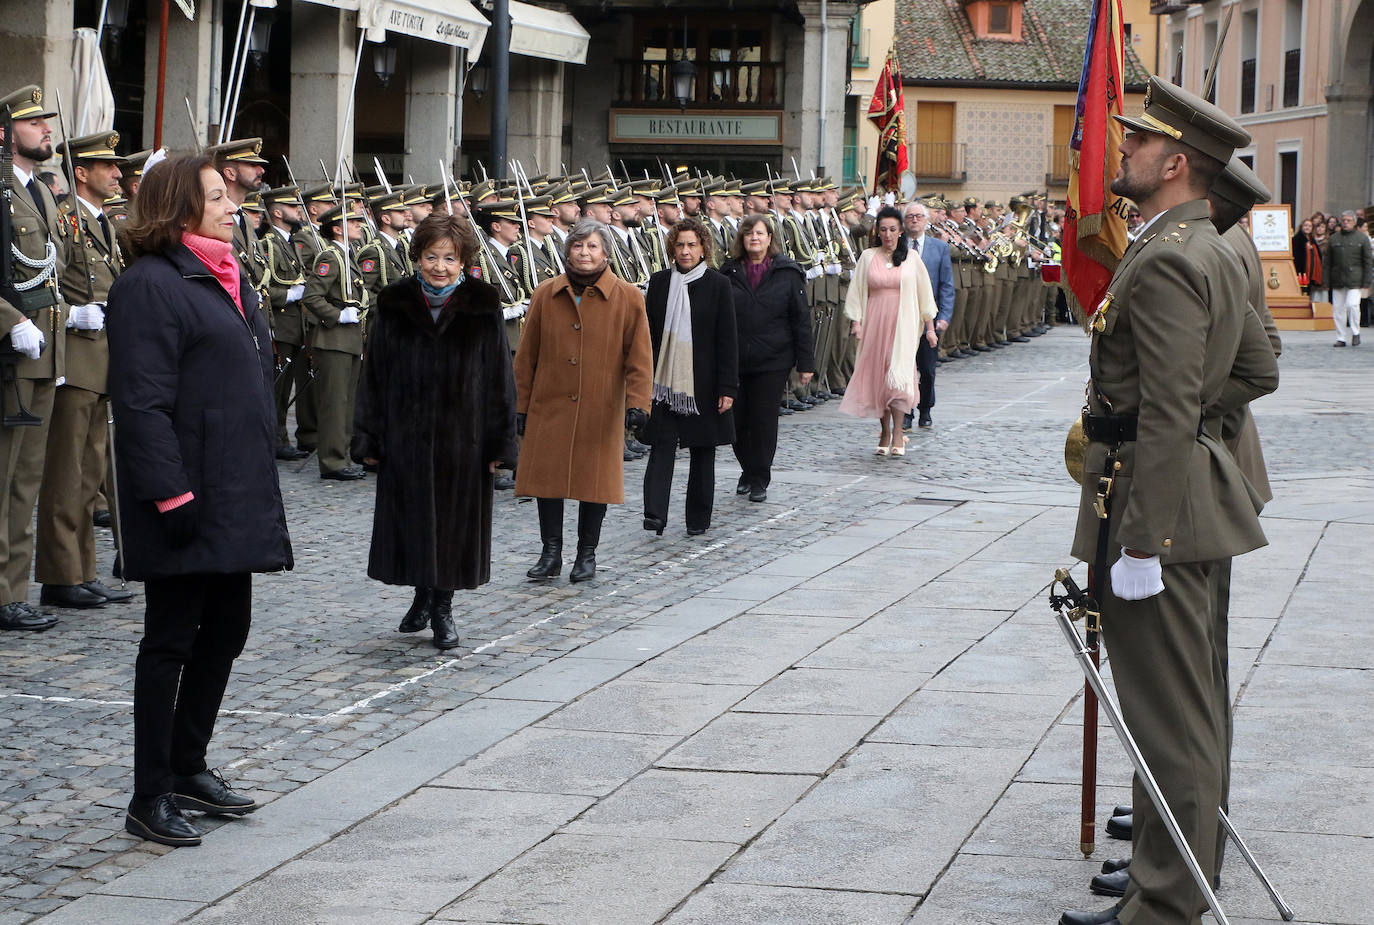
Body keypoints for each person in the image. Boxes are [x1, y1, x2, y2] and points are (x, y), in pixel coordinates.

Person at [1060, 77, 1277, 925]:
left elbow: (1169, 408)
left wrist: (1143, 540)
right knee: (1191, 705)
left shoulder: (1172, 257)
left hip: (1157, 512)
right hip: (1182, 498)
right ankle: (1177, 872)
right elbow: (1254, 371)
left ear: (1176, 163)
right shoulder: (1206, 247)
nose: (1123, 149)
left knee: (1169, 717)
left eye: (1138, 142)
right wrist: (1196, 448)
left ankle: (1167, 901)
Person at [105, 151, 292, 848]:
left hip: (235, 488)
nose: (231, 203)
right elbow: (143, 402)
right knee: (169, 642)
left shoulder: (226, 274)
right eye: (216, 195)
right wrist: (170, 492)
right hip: (185, 494)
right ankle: (148, 792)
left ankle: (188, 764)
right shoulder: (151, 283)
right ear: (180, 206)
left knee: (228, 629)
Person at [353, 212, 516, 651]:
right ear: (417, 257)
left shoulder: (482, 304)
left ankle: (442, 607)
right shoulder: (394, 303)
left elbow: (501, 379)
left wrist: (502, 443)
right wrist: (368, 437)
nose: (439, 267)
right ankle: (422, 592)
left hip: (463, 441)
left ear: (463, 260)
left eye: (449, 258)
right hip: (405, 436)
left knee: (452, 526)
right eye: (431, 256)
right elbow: (374, 375)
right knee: (412, 521)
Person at [514, 219, 652, 582]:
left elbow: (639, 358)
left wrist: (638, 404)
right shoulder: (546, 293)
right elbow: (526, 356)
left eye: (592, 247)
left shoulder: (628, 297)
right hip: (550, 402)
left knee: (595, 483)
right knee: (548, 481)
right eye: (578, 246)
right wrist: (521, 405)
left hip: (599, 405)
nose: (584, 253)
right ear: (567, 250)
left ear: (605, 253)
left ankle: (586, 554)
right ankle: (551, 552)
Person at [35, 131, 133, 610]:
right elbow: (45, 276)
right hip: (75, 357)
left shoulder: (102, 222)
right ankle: (59, 574)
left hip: (101, 360)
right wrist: (71, 314)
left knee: (90, 471)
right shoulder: (65, 217)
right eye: (108, 167)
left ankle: (83, 570)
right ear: (81, 172)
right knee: (66, 473)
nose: (118, 175)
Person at [0, 85, 67, 632]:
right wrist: (11, 322)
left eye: (46, 120)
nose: (46, 129)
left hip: (45, 350)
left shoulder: (41, 192)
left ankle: (13, 592)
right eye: (33, 122)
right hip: (12, 349)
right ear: (5, 133)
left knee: (26, 480)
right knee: (2, 480)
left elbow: (51, 268)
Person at [641, 217, 737, 537]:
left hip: (704, 383)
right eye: (679, 244)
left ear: (703, 249)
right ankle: (654, 513)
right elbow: (648, 336)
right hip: (665, 382)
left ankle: (698, 518)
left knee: (702, 449)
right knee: (661, 444)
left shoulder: (718, 284)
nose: (685, 251)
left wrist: (727, 387)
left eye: (692, 245)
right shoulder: (658, 283)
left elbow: (727, 339)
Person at [719, 214, 815, 502]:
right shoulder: (728, 273)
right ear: (741, 239)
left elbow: (801, 320)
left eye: (759, 233)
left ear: (770, 238)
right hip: (736, 359)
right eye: (748, 234)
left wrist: (805, 363)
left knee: (762, 421)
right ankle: (747, 468)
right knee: (737, 421)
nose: (754, 239)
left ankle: (759, 476)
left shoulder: (786, 272)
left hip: (773, 360)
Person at [839, 206, 937, 456]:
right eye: (883, 230)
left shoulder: (912, 259)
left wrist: (930, 328)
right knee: (879, 377)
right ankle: (884, 430)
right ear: (877, 232)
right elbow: (858, 291)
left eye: (893, 230)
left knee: (899, 377)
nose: (888, 235)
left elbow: (924, 294)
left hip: (903, 323)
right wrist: (857, 322)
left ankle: (898, 433)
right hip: (875, 322)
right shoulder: (867, 257)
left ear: (901, 231)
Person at [302, 202, 369, 480]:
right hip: (333, 339)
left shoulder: (349, 255)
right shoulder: (330, 257)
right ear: (338, 228)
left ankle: (342, 455)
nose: (359, 226)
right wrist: (338, 315)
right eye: (353, 222)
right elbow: (312, 297)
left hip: (350, 339)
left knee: (347, 402)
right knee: (334, 403)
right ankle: (332, 462)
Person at [902, 201, 954, 429]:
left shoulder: (939, 248)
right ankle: (905, 411)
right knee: (904, 368)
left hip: (929, 319)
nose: (914, 220)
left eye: (919, 216)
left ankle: (925, 409)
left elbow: (946, 285)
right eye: (910, 216)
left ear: (926, 221)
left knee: (927, 369)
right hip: (903, 317)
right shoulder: (897, 247)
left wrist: (944, 316)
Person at [1321, 209, 1372, 347]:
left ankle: (1356, 332)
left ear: (1354, 222)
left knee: (1352, 305)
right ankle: (1341, 337)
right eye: (1343, 220)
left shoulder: (1362, 239)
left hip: (1355, 279)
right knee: (1338, 309)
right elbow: (1327, 263)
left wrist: (1367, 281)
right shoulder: (1334, 238)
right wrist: (1325, 281)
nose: (1345, 223)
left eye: (1348, 220)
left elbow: (1367, 261)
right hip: (1337, 278)